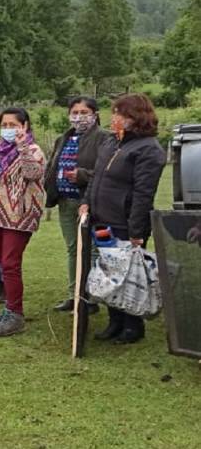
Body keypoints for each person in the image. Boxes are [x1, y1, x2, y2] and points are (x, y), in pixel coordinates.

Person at [80, 93, 166, 345]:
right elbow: (96, 177)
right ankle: (114, 321)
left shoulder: (149, 150)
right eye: (115, 112)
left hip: (124, 224)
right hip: (101, 220)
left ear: (135, 118)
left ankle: (132, 326)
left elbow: (143, 194)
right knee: (109, 273)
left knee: (128, 274)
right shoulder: (111, 143)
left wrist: (136, 231)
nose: (114, 117)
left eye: (120, 113)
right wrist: (86, 201)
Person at [0, 108, 46, 337]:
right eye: (4, 124)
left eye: (13, 124)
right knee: (2, 261)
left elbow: (32, 173)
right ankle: (9, 308)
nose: (8, 129)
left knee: (10, 264)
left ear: (25, 126)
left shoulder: (33, 150)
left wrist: (23, 146)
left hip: (18, 217)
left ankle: (15, 314)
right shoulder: (0, 152)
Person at [44, 96, 107, 313]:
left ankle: (90, 297)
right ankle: (74, 295)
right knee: (73, 249)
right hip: (65, 202)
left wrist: (81, 175)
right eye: (74, 112)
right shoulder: (64, 138)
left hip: (88, 202)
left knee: (92, 250)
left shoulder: (103, 138)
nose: (78, 117)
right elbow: (53, 164)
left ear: (95, 115)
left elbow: (106, 172)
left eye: (84, 112)